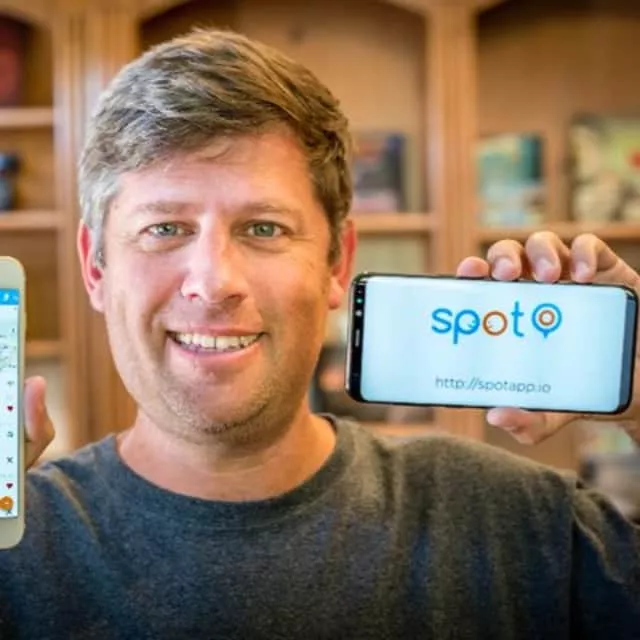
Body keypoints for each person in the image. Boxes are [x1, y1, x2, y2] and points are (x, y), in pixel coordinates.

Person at [0, 27, 638, 639]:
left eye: (264, 228)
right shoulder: (13, 544)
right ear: (95, 267)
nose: (213, 283)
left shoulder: (519, 522)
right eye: (164, 229)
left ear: (337, 262)